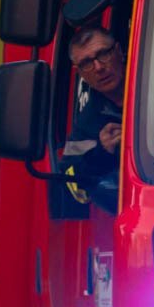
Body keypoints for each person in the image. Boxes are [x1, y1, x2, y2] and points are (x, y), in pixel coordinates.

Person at [61, 26, 126, 190]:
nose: (98, 67)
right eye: (86, 63)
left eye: (104, 54)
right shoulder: (87, 124)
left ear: (119, 51)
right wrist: (103, 152)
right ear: (80, 73)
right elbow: (71, 181)